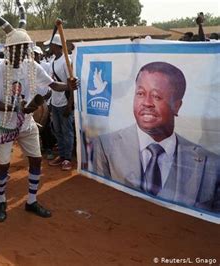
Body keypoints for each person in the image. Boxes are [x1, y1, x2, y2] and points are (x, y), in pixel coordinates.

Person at [0, 0, 78, 223]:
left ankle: (31, 201)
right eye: (15, 49)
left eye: (22, 48)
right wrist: (17, 108)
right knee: (4, 165)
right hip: (4, 124)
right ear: (9, 50)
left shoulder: (31, 66)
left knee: (36, 161)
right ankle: (1, 201)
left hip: (26, 123)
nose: (19, 53)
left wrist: (69, 86)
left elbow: (52, 84)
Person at [92, 61, 220, 211]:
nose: (146, 103)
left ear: (177, 106)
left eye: (157, 96)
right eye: (140, 94)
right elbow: (103, 202)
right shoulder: (105, 146)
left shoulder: (210, 164)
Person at [44, 34, 75, 170]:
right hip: (55, 102)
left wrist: (70, 105)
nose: (49, 48)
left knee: (66, 131)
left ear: (56, 46)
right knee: (57, 131)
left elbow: (72, 84)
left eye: (51, 45)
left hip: (64, 102)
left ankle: (67, 158)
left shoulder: (66, 61)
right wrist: (51, 102)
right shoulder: (52, 61)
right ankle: (62, 155)